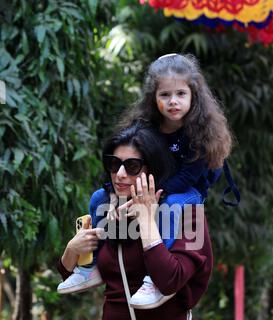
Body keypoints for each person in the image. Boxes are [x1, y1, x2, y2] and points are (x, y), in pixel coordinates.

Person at [57, 122, 213, 320]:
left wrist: (146, 221)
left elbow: (169, 278)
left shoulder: (185, 213)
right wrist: (71, 251)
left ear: (153, 170)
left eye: (132, 165)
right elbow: (79, 274)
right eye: (114, 164)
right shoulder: (106, 211)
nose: (121, 174)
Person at [57, 53, 238, 306]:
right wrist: (117, 190)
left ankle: (156, 277)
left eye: (180, 94)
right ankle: (91, 266)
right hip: (150, 185)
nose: (173, 101)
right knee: (100, 197)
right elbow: (130, 160)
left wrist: (152, 196)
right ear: (154, 97)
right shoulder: (147, 126)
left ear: (193, 95)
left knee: (171, 204)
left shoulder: (201, 132)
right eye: (165, 95)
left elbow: (187, 177)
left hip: (186, 190)